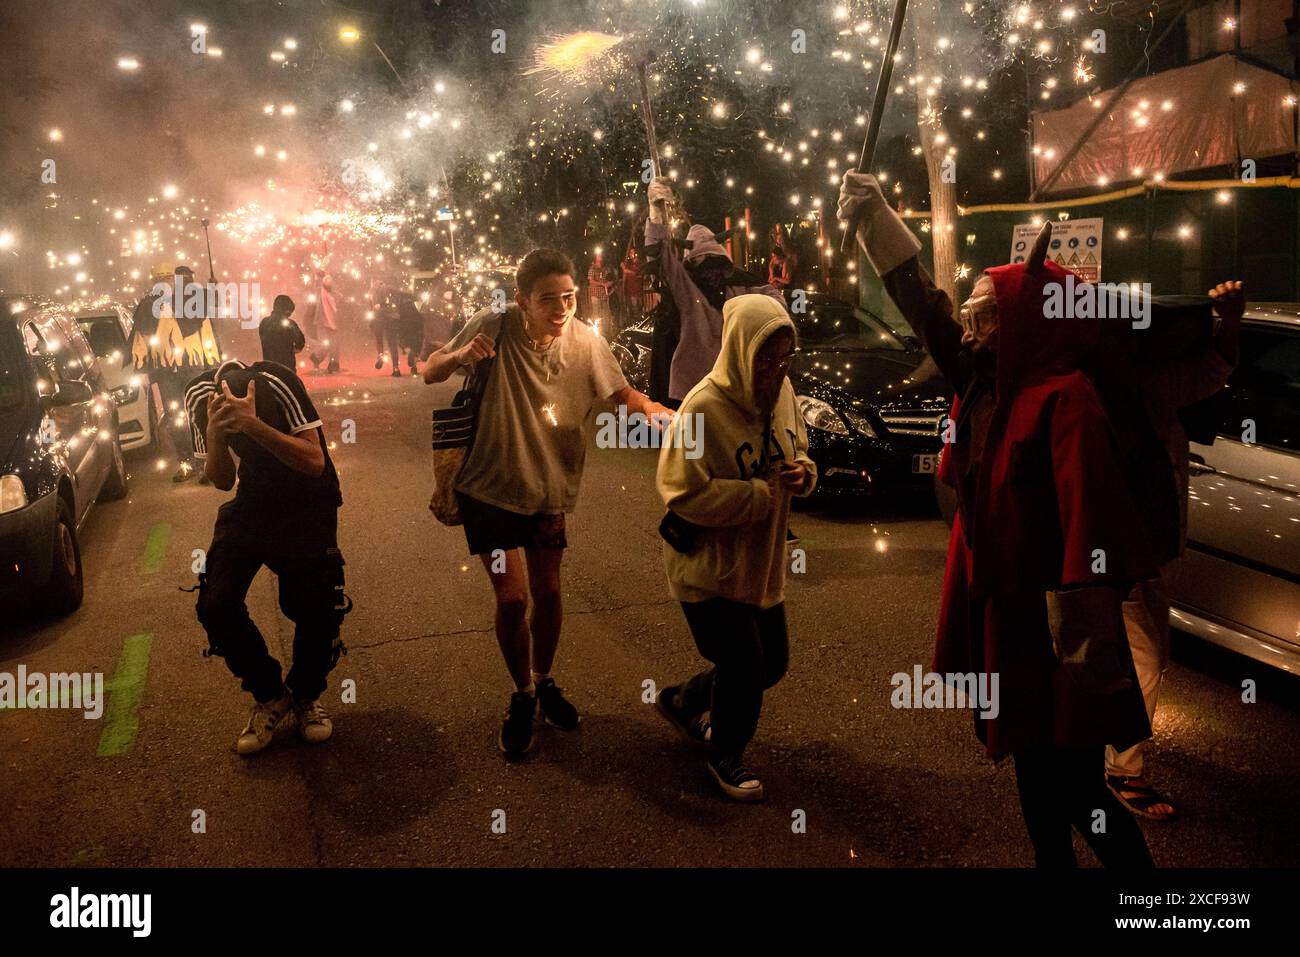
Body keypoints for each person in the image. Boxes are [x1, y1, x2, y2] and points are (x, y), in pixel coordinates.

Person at [840, 171, 1160, 868]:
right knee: (1033, 778)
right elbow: (926, 308)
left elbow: (1091, 529)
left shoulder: (1067, 400)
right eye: (976, 314)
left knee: (1080, 791)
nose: (971, 326)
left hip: (1060, 633)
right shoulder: (991, 378)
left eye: (986, 314)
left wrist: (1082, 640)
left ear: (1025, 321)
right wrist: (874, 219)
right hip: (1010, 624)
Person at [422, 249, 672, 758]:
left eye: (569, 296)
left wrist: (653, 410)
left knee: (550, 592)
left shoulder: (586, 342)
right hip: (487, 489)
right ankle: (522, 694)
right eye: (548, 299)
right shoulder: (494, 324)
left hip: (547, 490)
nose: (562, 308)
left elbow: (620, 394)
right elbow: (431, 370)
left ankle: (546, 680)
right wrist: (459, 356)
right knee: (513, 599)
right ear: (522, 301)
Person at [655, 294, 816, 802]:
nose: (773, 369)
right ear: (741, 349)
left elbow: (801, 450)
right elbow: (680, 492)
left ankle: (683, 701)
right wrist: (753, 497)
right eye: (764, 358)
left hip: (760, 566)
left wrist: (802, 473)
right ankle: (726, 754)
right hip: (708, 569)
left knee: (771, 664)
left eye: (783, 358)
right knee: (745, 664)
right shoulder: (703, 408)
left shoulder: (784, 391)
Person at [1102, 282, 1245, 821]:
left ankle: (1101, 753)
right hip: (1113, 551)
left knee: (1123, 650)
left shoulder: (1146, 384)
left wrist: (1228, 322)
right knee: (1141, 653)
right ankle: (1123, 769)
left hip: (1133, 550)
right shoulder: (1084, 389)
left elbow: (1208, 372)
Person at [185, 358, 348, 756]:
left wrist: (253, 425)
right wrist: (216, 432)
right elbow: (223, 480)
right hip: (254, 500)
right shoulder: (198, 396)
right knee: (216, 603)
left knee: (315, 608)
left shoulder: (278, 382)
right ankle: (271, 696)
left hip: (309, 501)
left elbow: (314, 462)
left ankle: (306, 694)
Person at [643, 177, 786, 407]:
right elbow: (661, 259)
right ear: (692, 264)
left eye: (714, 261)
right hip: (692, 392)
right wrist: (656, 213)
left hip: (733, 390)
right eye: (702, 262)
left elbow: (774, 302)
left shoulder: (740, 288)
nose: (710, 271)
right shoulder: (685, 290)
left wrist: (755, 318)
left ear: (724, 263)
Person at [129, 262, 223, 483]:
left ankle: (205, 464)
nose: (165, 281)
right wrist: (142, 370)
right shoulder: (148, 305)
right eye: (160, 278)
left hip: (193, 368)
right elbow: (139, 336)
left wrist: (214, 290)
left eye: (168, 277)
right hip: (166, 373)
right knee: (175, 418)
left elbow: (211, 309)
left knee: (198, 414)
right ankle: (186, 462)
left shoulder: (192, 299)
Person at [258, 295, 304, 371]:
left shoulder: (264, 322)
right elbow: (300, 342)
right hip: (287, 370)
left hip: (268, 368)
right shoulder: (290, 324)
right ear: (287, 310)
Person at [308, 271, 341, 375]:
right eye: (326, 279)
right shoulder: (319, 292)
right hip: (322, 322)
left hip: (334, 322)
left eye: (330, 279)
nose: (329, 281)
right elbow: (313, 288)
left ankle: (333, 366)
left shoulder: (335, 293)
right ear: (323, 282)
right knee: (326, 345)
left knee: (335, 345)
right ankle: (316, 358)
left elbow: (340, 302)